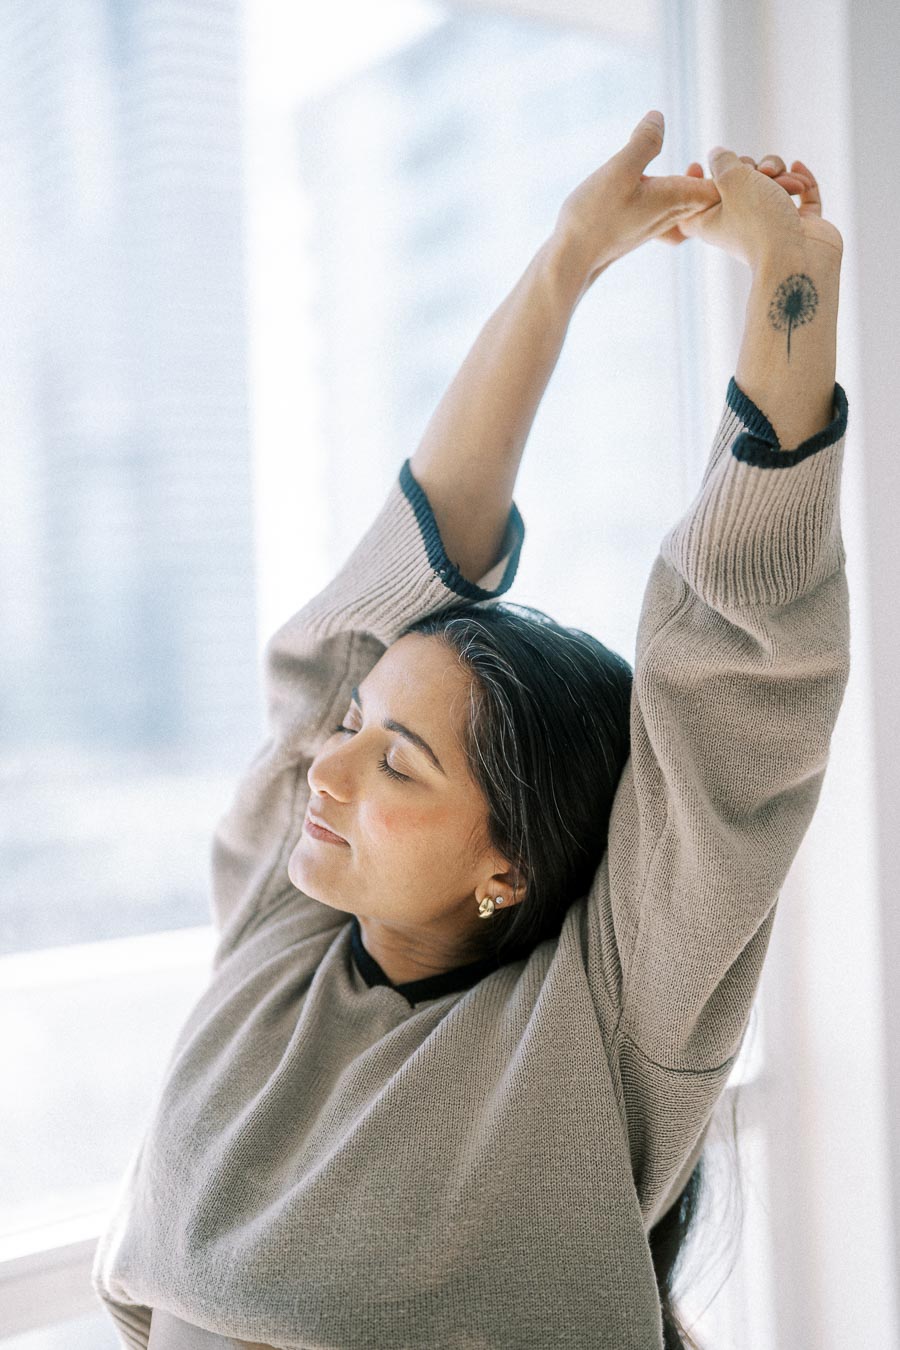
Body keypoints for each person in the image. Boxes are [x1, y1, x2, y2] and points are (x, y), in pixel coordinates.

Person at [91, 110, 849, 1350]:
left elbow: (734, 694)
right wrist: (565, 263)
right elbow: (374, 601)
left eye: (398, 759)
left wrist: (795, 284)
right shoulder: (282, 939)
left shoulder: (592, 1034)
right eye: (355, 724)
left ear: (509, 865)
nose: (324, 767)